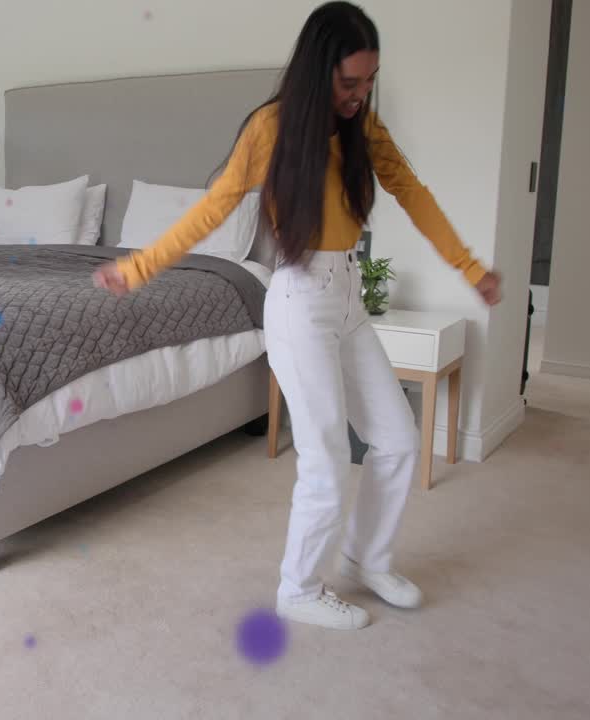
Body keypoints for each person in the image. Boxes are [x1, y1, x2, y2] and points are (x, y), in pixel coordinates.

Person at [93, 1, 502, 630]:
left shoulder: (364, 128)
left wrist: (471, 269)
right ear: (319, 72)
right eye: (349, 83)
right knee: (327, 454)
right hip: (297, 301)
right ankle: (299, 587)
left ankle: (367, 559)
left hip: (346, 299)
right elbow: (214, 209)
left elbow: (414, 195)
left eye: (370, 81)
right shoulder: (272, 127)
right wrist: (139, 266)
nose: (360, 95)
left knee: (394, 439)